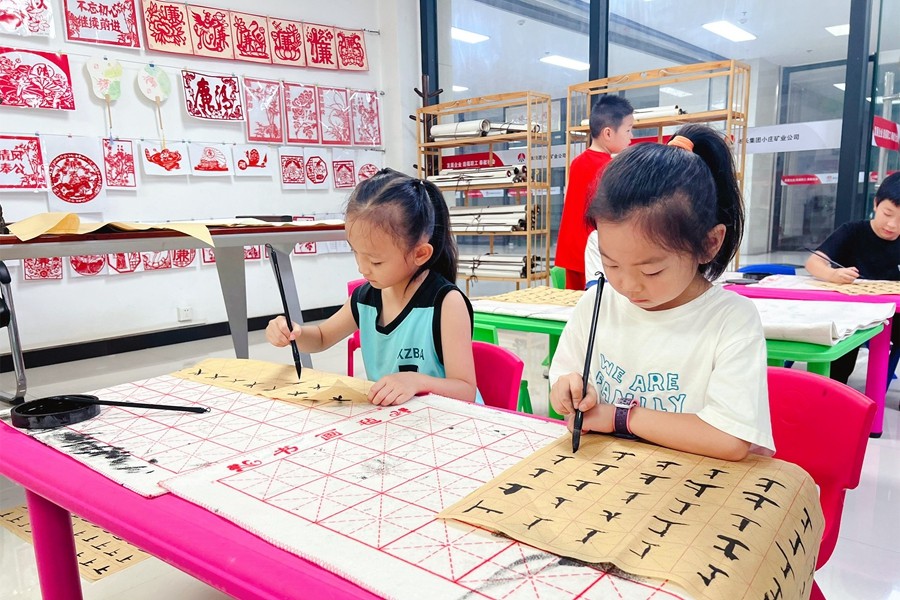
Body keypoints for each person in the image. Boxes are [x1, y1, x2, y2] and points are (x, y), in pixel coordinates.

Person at [549, 124, 775, 461]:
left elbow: (730, 439)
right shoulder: (598, 303)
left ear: (709, 243)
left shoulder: (730, 320)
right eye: (611, 264)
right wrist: (568, 391)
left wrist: (618, 417)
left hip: (696, 482)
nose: (628, 285)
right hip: (609, 475)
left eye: (651, 271)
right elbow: (562, 381)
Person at [266, 168, 480, 406]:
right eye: (355, 253)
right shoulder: (365, 299)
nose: (362, 268)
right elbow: (322, 338)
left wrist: (416, 382)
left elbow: (465, 391)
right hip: (399, 418)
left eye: (376, 261)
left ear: (420, 254)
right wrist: (294, 333)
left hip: (450, 419)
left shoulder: (446, 303)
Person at [805, 171, 900, 386]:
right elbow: (813, 263)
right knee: (840, 353)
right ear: (876, 204)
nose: (892, 225)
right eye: (887, 213)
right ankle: (831, 390)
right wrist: (833, 274)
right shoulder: (852, 231)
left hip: (894, 318)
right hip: (851, 315)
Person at [554, 95, 634, 291]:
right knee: (598, 303)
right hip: (595, 253)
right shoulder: (611, 168)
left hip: (571, 251)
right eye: (628, 130)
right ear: (608, 133)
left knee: (575, 304)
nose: (631, 136)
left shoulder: (577, 162)